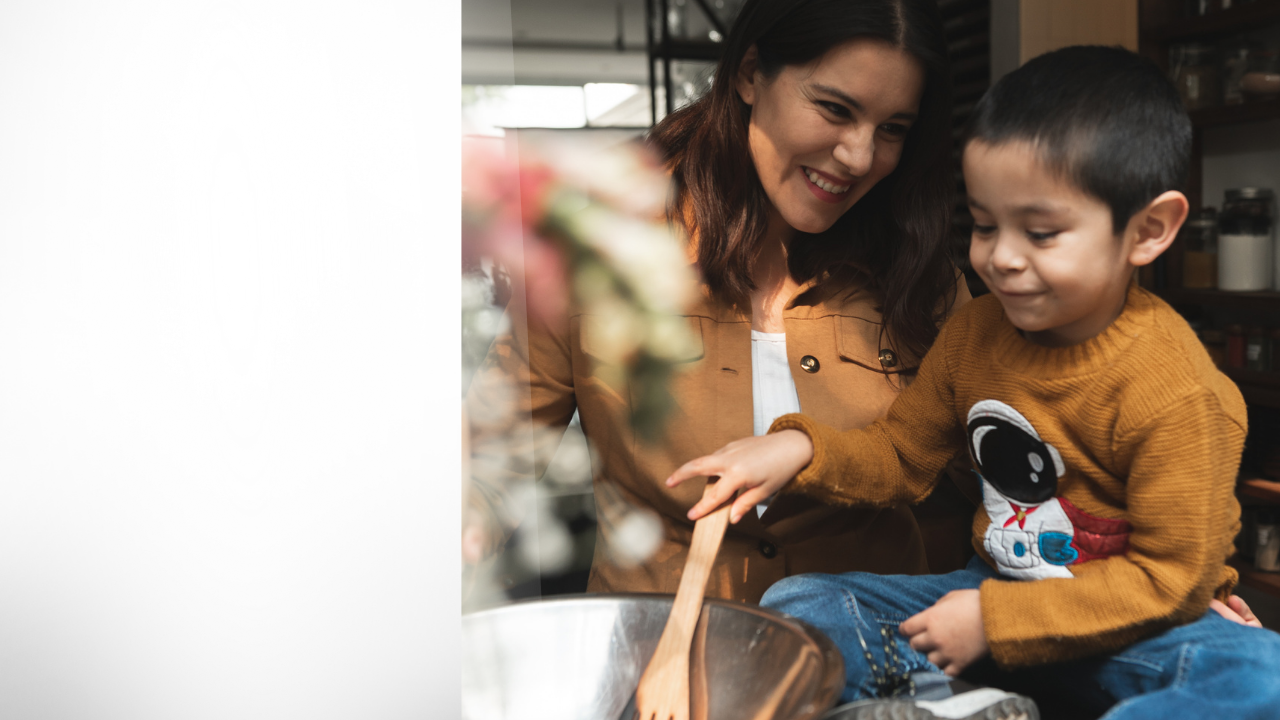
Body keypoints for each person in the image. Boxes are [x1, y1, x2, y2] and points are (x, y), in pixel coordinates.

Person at [669, 46, 1280, 719]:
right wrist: (800, 448)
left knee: (1263, 671)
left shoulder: (1178, 391)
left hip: (1127, 628)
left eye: (1041, 233)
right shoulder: (975, 335)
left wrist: (997, 620)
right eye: (986, 225)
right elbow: (902, 456)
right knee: (803, 603)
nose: (1001, 258)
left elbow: (1170, 581)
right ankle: (950, 706)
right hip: (989, 596)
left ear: (1149, 230)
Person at [464, 0, 978, 604]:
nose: (861, 157)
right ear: (750, 73)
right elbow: (489, 461)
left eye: (892, 129)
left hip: (865, 650)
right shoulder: (604, 245)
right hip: (664, 646)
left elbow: (1007, 481)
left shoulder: (918, 272)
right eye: (835, 109)